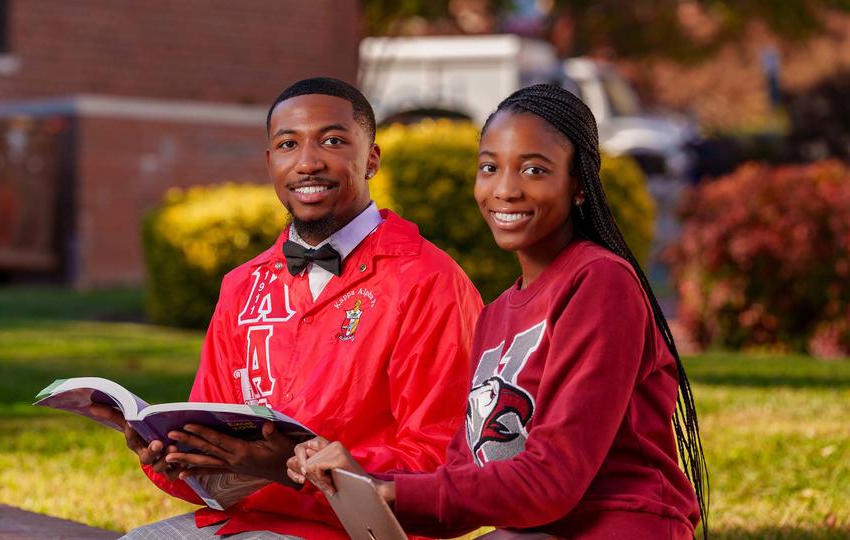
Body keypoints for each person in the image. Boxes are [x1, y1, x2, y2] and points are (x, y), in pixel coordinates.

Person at [289, 84, 710, 539]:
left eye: (534, 170)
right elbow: (461, 487)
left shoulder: (600, 282)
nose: (505, 190)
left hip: (623, 525)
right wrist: (350, 478)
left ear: (579, 186)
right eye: (490, 167)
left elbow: (553, 480)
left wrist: (388, 488)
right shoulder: (495, 316)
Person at [93, 77, 483, 539]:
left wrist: (302, 473)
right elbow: (218, 472)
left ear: (372, 158)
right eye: (287, 144)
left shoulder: (427, 280)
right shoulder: (242, 286)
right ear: (270, 162)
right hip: (241, 525)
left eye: (333, 141)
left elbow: (445, 465)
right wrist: (172, 456)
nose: (308, 162)